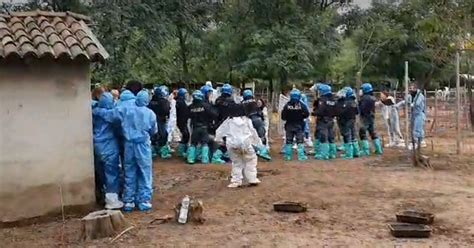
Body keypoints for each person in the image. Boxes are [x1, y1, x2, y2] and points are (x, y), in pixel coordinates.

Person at [119, 90, 157, 212]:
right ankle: (144, 201)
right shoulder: (150, 113)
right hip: (142, 145)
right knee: (145, 172)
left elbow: (121, 126)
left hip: (129, 145)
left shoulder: (128, 111)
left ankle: (129, 201)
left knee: (130, 171)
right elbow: (153, 130)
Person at [92, 92, 123, 209]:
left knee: (101, 172)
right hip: (109, 145)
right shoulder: (112, 115)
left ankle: (103, 195)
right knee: (112, 173)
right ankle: (112, 200)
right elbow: (119, 122)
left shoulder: (94, 111)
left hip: (96, 145)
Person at [216, 114, 262, 188]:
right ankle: (252, 178)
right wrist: (258, 143)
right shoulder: (247, 120)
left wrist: (219, 141)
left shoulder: (228, 121)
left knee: (236, 163)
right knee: (251, 160)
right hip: (245, 144)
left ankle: (236, 181)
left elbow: (219, 132)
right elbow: (253, 132)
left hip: (232, 145)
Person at [187, 90, 218, 164]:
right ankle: (204, 159)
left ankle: (190, 159)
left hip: (194, 128)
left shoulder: (190, 107)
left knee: (193, 143)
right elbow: (214, 114)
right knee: (205, 143)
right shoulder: (206, 105)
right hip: (204, 127)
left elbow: (187, 116)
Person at [242, 89, 271, 160]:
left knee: (248, 137)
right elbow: (260, 112)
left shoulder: (242, 103)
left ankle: (251, 150)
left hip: (247, 120)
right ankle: (264, 151)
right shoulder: (254, 102)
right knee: (262, 135)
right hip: (257, 119)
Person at [281, 89, 310, 161]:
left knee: (289, 141)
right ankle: (301, 156)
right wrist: (301, 117)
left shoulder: (287, 105)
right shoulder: (302, 105)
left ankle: (288, 156)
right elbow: (307, 114)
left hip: (289, 125)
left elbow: (283, 116)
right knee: (300, 141)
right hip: (299, 125)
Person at [359, 83, 383, 155]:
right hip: (371, 117)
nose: (361, 91)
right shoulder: (373, 98)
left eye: (362, 89)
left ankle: (365, 151)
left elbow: (362, 109)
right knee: (372, 132)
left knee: (362, 132)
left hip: (365, 117)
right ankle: (378, 149)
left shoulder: (364, 98)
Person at [399, 83, 426, 150]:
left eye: (412, 88)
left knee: (417, 129)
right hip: (413, 114)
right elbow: (405, 101)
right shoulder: (410, 96)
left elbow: (416, 103)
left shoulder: (420, 96)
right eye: (410, 88)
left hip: (419, 114)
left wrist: (411, 104)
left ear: (416, 89)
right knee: (412, 128)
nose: (411, 90)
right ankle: (414, 141)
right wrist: (397, 105)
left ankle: (418, 142)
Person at [314, 84, 337, 160]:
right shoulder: (333, 99)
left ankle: (324, 154)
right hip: (331, 120)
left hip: (323, 120)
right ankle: (332, 154)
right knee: (331, 136)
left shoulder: (322, 99)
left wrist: (314, 113)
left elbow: (320, 111)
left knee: (323, 136)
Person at [148, 86, 171, 159]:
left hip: (152, 120)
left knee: (153, 135)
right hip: (160, 120)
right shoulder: (164, 102)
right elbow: (167, 111)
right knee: (163, 134)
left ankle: (153, 151)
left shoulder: (151, 101)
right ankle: (163, 152)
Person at [336, 87, 359, 159]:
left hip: (345, 121)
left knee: (347, 136)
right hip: (352, 120)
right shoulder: (354, 102)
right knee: (353, 136)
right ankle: (356, 152)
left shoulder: (346, 102)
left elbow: (342, 112)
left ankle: (349, 154)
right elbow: (357, 112)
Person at [176, 88, 190, 158]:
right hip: (181, 121)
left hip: (182, 121)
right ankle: (181, 151)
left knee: (186, 135)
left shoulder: (181, 101)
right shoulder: (180, 102)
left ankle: (182, 150)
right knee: (186, 135)